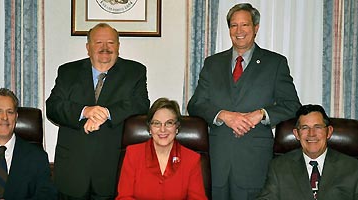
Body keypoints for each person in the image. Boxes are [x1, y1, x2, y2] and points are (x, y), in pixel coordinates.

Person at [187, 3, 301, 200]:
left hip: (254, 161)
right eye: (233, 25)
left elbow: (292, 105)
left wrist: (262, 114)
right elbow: (195, 104)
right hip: (218, 159)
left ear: (255, 28)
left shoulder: (275, 63)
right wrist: (223, 115)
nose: (239, 31)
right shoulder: (212, 63)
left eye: (245, 25)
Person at [46, 23, 150, 199]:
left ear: (118, 46)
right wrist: (85, 111)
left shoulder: (135, 71)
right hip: (72, 170)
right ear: (88, 47)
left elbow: (141, 103)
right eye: (98, 42)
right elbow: (53, 107)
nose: (105, 48)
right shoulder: (68, 71)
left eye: (111, 42)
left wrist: (106, 113)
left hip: (111, 169)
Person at [257, 104, 358, 200]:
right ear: (296, 134)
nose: (311, 134)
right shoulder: (279, 167)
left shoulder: (352, 168)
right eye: (305, 128)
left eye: (317, 127)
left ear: (329, 132)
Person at [116, 98, 207, 200]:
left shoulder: (192, 159)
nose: (162, 129)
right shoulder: (133, 154)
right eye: (156, 123)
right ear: (150, 128)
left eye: (169, 123)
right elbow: (124, 197)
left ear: (176, 127)